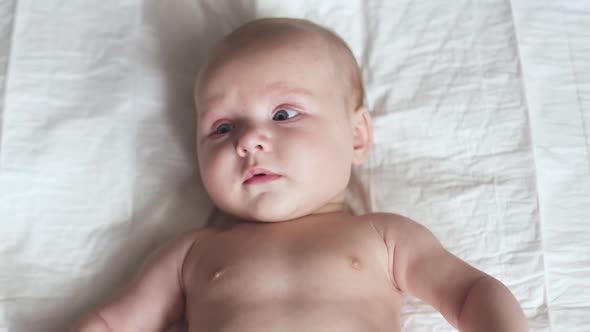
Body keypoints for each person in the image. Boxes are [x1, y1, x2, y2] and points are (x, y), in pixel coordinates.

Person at [73, 17, 528, 332]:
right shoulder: (192, 253)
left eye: (284, 113)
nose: (248, 140)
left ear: (355, 137)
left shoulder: (384, 236)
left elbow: (471, 293)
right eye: (223, 127)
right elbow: (113, 323)